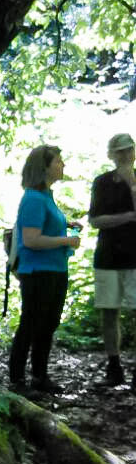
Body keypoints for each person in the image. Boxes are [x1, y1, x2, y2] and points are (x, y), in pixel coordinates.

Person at [8, 145, 81, 395]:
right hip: (37, 271)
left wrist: (66, 225)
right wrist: (66, 241)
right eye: (59, 161)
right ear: (45, 167)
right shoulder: (33, 199)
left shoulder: (46, 196)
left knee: (48, 324)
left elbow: (45, 227)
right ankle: (17, 380)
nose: (63, 165)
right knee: (30, 323)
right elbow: (30, 240)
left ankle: (40, 376)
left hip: (55, 269)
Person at [88, 131, 136, 386]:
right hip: (107, 257)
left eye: (129, 149)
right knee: (109, 313)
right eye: (120, 151)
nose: (125, 155)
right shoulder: (101, 182)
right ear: (111, 154)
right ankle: (114, 366)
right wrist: (128, 217)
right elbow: (95, 220)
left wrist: (132, 185)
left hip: (135, 258)